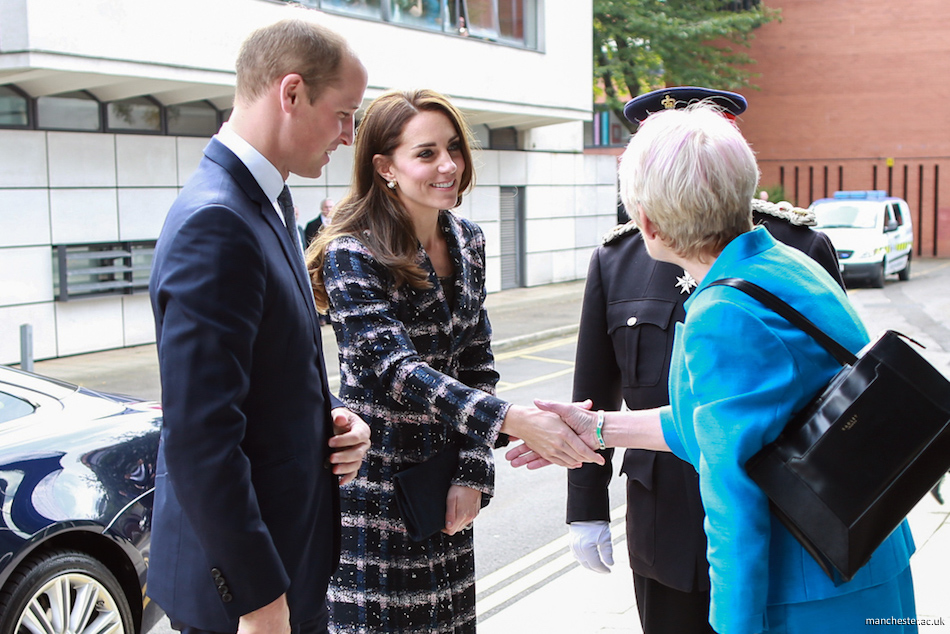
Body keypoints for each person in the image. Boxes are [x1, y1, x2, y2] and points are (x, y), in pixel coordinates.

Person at [514, 104, 917, 633]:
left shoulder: (721, 313)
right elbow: (717, 426)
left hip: (807, 590)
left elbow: (733, 507)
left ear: (649, 223)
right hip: (862, 553)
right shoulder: (779, 260)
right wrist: (598, 428)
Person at [306, 88, 601, 633]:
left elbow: (477, 363)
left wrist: (473, 469)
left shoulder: (467, 240)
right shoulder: (352, 251)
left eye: (454, 148)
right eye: (425, 153)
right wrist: (515, 422)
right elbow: (396, 370)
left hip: (445, 490)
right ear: (385, 167)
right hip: (379, 493)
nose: (448, 165)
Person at [566, 87, 846, 634]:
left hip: (783, 530)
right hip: (666, 519)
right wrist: (592, 454)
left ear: (646, 216)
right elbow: (695, 420)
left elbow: (732, 481)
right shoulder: (781, 260)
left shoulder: (730, 304)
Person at [148, 17, 372, 634]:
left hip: (285, 569)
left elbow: (265, 368)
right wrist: (261, 602)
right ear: (292, 93)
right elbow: (200, 434)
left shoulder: (267, 199)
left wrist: (328, 415)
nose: (349, 136)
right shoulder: (217, 220)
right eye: (345, 113)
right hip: (247, 602)